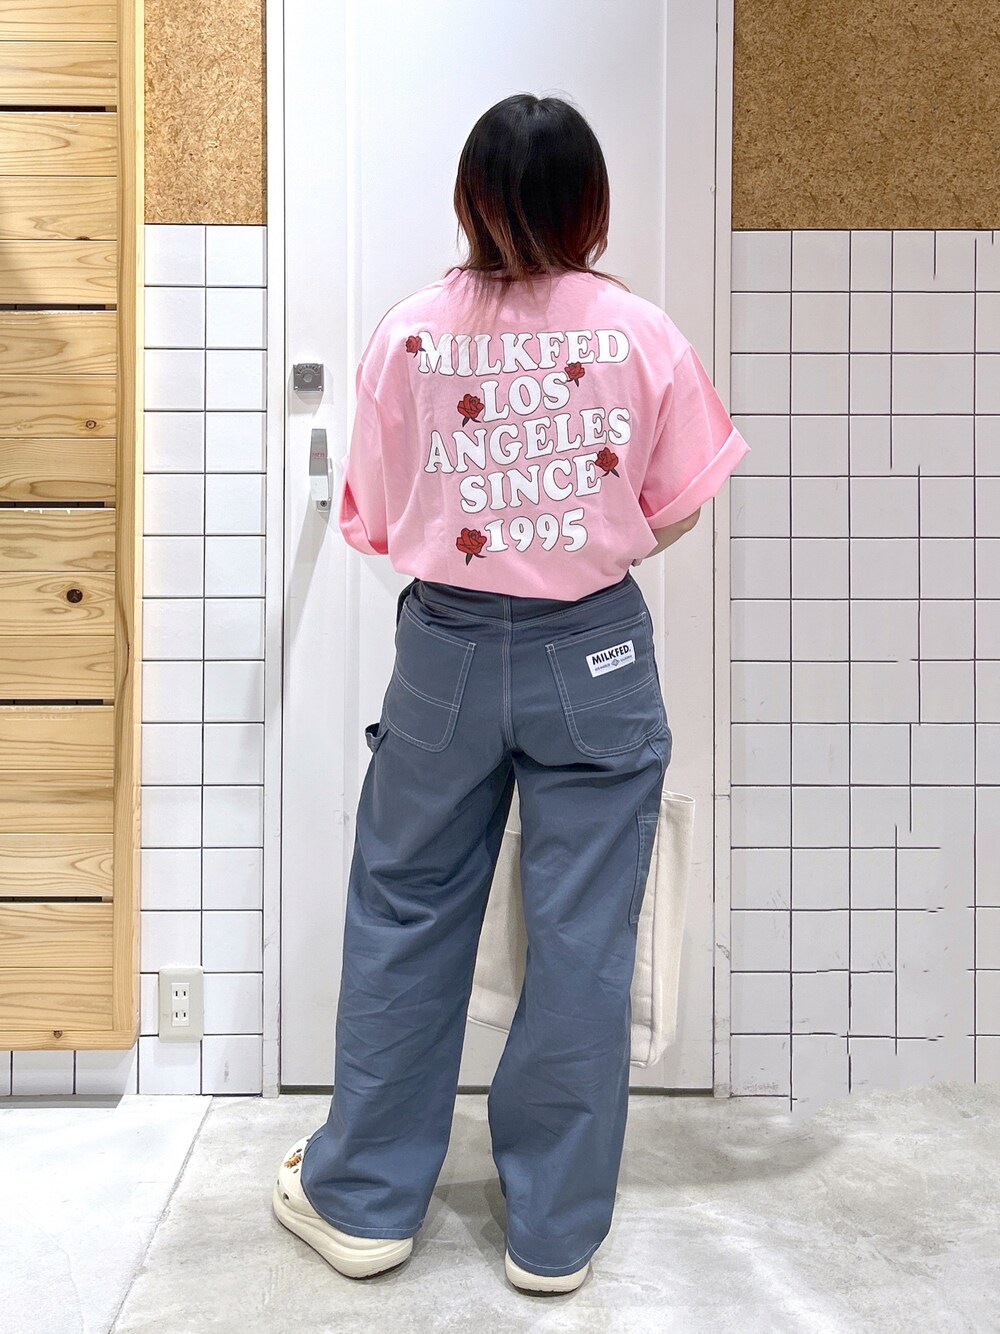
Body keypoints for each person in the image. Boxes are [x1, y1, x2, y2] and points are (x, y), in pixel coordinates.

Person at [273, 92, 750, 1295]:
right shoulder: (640, 331)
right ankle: (551, 1230)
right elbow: (680, 503)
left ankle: (364, 1202)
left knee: (406, 907)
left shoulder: (409, 333)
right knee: (583, 933)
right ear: (590, 203)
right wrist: (585, 539)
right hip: (592, 650)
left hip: (444, 650)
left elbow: (373, 515)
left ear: (471, 198)